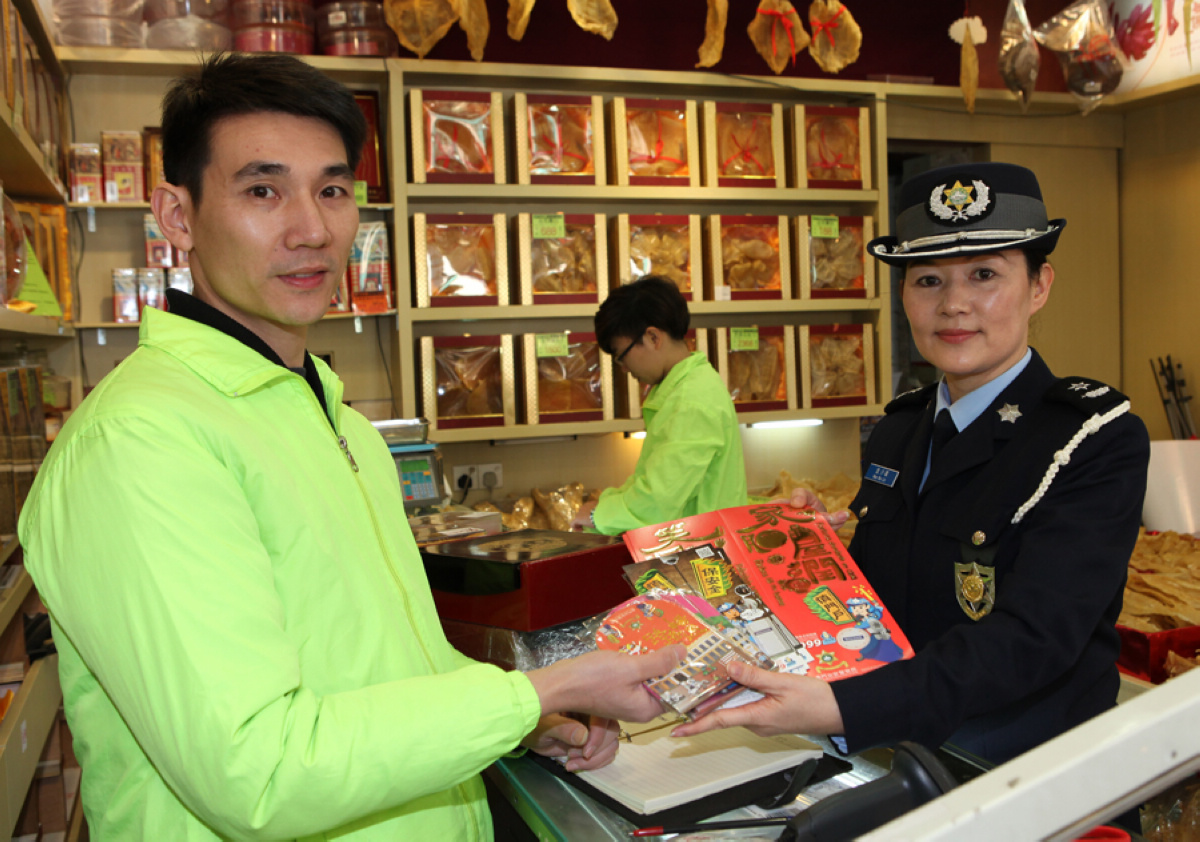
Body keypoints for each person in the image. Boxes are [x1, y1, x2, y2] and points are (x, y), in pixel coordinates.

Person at [17, 53, 685, 840]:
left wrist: (521, 722)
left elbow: (387, 663)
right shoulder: (141, 442)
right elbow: (258, 770)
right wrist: (537, 693)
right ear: (177, 215)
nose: (312, 230)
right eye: (262, 190)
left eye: (332, 190)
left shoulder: (336, 420)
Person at [673, 162, 1150, 767]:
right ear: (903, 296)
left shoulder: (1090, 438)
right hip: (898, 755)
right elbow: (888, 603)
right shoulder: (901, 428)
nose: (953, 305)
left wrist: (844, 707)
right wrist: (811, 552)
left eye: (984, 275)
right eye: (927, 280)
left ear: (1039, 286)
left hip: (1027, 774)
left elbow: (1034, 639)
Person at [572, 275, 747, 534]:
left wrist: (598, 515)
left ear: (653, 337)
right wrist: (604, 505)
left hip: (706, 547)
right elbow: (651, 480)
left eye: (622, 356)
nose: (624, 368)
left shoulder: (692, 400)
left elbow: (657, 502)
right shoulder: (683, 388)